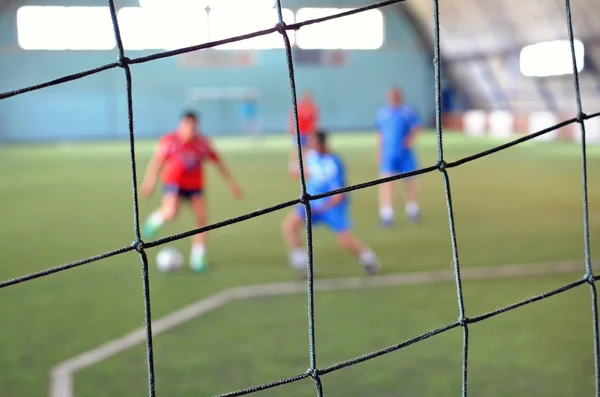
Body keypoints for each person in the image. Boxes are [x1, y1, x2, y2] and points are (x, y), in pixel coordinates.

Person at [140, 111, 243, 273]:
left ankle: (198, 256)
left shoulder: (202, 143)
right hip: (174, 183)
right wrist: (150, 182)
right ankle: (155, 219)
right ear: (181, 125)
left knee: (202, 219)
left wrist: (231, 184)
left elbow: (219, 163)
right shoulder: (170, 141)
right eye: (188, 125)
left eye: (194, 126)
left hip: (195, 186)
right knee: (171, 212)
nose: (191, 129)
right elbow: (157, 162)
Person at [281, 130, 380, 276]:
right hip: (311, 203)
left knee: (344, 239)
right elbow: (296, 174)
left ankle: (368, 258)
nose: (309, 145)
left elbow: (338, 195)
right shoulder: (311, 156)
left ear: (321, 143)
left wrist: (322, 208)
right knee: (289, 226)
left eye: (312, 142)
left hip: (330, 206)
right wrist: (294, 156)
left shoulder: (334, 163)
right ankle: (302, 263)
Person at [375, 87, 422, 227]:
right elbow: (379, 134)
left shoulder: (407, 112)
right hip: (389, 154)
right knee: (387, 183)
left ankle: (413, 210)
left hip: (405, 154)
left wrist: (409, 140)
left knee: (410, 182)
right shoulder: (382, 114)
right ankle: (387, 214)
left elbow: (416, 128)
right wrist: (379, 152)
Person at [288, 91, 319, 170]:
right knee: (297, 148)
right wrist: (292, 130)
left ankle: (307, 165)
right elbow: (293, 119)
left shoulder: (313, 108)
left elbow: (314, 120)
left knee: (309, 149)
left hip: (308, 132)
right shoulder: (298, 107)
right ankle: (293, 165)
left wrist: (313, 131)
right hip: (299, 132)